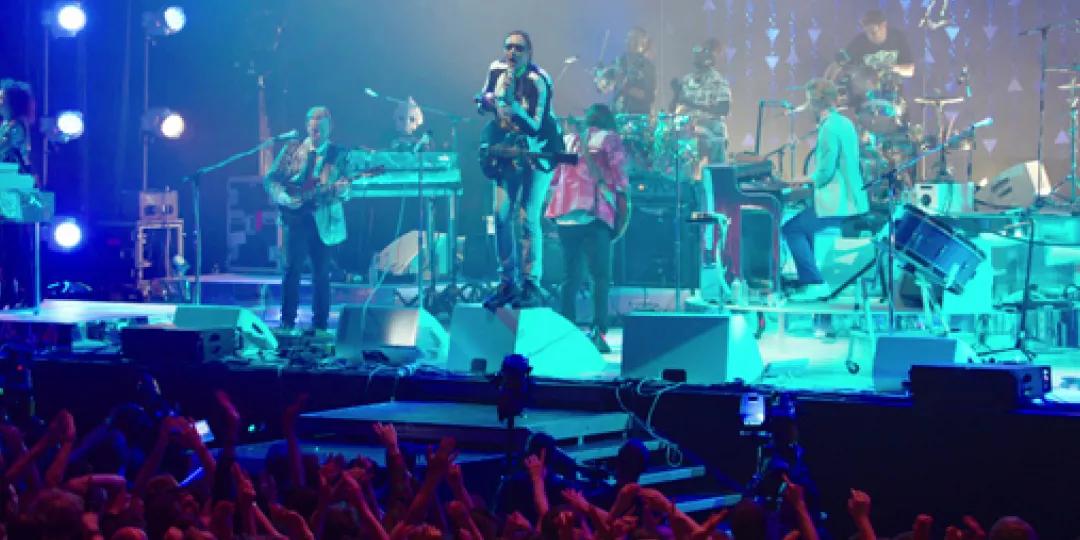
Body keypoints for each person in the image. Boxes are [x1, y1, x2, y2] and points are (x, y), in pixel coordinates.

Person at [476, 30, 563, 310]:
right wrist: (487, 100)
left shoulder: (539, 80)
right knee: (501, 214)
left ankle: (531, 283)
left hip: (539, 150)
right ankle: (507, 282)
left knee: (528, 216)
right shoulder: (496, 70)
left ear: (529, 53)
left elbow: (536, 125)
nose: (512, 52)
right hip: (510, 148)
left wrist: (513, 107)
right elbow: (485, 99)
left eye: (519, 48)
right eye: (508, 47)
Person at [545, 103, 628, 353]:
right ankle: (598, 333)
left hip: (565, 215)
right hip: (594, 214)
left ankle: (567, 332)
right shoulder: (610, 139)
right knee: (600, 277)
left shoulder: (569, 139)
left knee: (570, 278)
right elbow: (621, 176)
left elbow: (555, 177)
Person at [265, 106, 351, 333]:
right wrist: (283, 197)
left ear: (330, 128)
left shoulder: (338, 154)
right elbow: (271, 179)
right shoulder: (292, 149)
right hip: (295, 219)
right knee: (291, 270)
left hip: (323, 219)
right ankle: (287, 322)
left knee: (321, 273)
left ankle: (320, 325)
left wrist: (343, 190)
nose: (317, 134)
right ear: (307, 127)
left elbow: (347, 187)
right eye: (314, 129)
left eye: (321, 129)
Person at [782, 79, 869, 301]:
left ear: (814, 103)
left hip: (839, 203)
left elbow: (826, 170)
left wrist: (805, 180)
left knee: (791, 229)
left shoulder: (828, 127)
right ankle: (808, 280)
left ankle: (813, 282)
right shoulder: (846, 123)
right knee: (804, 226)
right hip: (855, 199)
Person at [0, 79, 36, 310]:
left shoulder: (15, 127)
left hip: (12, 189)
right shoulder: (10, 125)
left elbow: (8, 154)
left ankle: (24, 291)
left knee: (13, 244)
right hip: (9, 187)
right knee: (9, 245)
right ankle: (10, 292)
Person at [673, 39, 732, 171]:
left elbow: (724, 109)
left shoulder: (718, 81)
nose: (698, 56)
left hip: (711, 128)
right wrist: (676, 94)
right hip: (689, 128)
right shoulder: (687, 80)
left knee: (715, 168)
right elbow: (675, 108)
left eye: (703, 52)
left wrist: (693, 105)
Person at [595, 27, 657, 115]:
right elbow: (603, 88)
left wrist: (625, 88)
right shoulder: (618, 62)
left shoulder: (648, 67)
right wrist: (600, 78)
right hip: (617, 115)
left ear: (643, 43)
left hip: (638, 118)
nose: (630, 41)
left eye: (634, 38)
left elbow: (649, 96)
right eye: (628, 38)